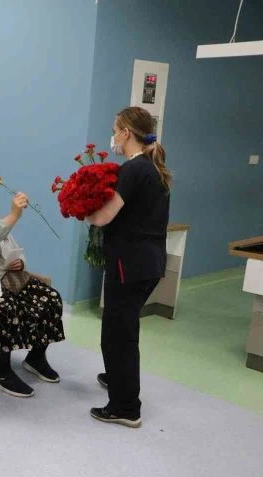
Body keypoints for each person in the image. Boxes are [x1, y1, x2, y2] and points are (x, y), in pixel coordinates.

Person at [86, 106, 171, 428]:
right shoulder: (153, 168)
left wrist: (83, 211)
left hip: (129, 265)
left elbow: (104, 217)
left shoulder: (133, 169)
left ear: (126, 133)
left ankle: (125, 407)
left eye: (115, 130)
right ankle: (118, 378)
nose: (113, 137)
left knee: (117, 335)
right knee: (125, 327)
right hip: (150, 262)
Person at [0, 176, 66, 398]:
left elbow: (17, 249)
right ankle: (1, 371)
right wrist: (14, 215)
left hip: (10, 279)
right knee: (4, 306)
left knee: (51, 297)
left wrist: (20, 263)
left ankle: (36, 357)